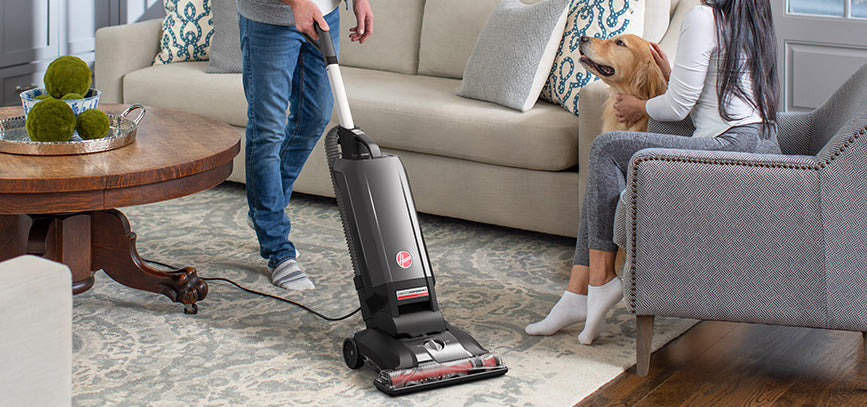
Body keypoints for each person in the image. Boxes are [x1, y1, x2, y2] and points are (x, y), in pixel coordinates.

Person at [525, 0, 781, 344]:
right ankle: (577, 293)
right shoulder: (750, 20)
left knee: (606, 148)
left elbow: (677, 108)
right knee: (608, 156)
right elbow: (714, 95)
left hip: (731, 148)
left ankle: (597, 284)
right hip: (759, 143)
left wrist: (639, 105)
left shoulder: (703, 17)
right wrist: (672, 76)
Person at [238, 0, 373, 290]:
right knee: (268, 130)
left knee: (313, 118)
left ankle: (263, 209)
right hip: (270, 20)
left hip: (325, 15)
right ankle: (277, 249)